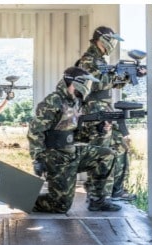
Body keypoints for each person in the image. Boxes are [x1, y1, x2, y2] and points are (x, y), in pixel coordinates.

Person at [28, 66, 121, 213]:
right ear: (77, 82)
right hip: (56, 157)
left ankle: (97, 200)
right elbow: (35, 131)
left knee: (107, 155)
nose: (89, 87)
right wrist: (38, 159)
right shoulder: (53, 101)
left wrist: (99, 129)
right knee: (60, 206)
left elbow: (75, 134)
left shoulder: (74, 102)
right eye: (87, 83)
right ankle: (26, 198)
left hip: (71, 152)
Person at [75, 26, 139, 201]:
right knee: (101, 151)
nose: (113, 44)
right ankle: (97, 195)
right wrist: (119, 75)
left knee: (120, 145)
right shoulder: (88, 59)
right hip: (95, 109)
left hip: (104, 108)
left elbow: (113, 83)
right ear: (103, 40)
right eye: (112, 40)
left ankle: (116, 190)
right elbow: (95, 84)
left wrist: (128, 76)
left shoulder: (100, 60)